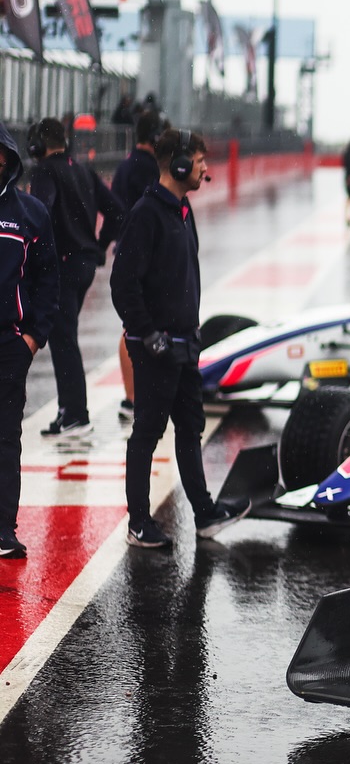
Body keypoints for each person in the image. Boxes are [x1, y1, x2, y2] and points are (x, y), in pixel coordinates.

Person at [110, 129, 249, 549]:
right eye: (200, 161)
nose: (206, 168)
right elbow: (123, 282)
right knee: (148, 432)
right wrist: (148, 334)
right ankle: (138, 523)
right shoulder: (147, 214)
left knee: (191, 428)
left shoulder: (183, 210)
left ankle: (204, 514)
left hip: (187, 342)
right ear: (180, 165)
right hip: (157, 347)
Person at [27, 117, 125, 437]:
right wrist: (98, 245)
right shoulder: (83, 170)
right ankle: (71, 410)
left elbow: (40, 212)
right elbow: (117, 211)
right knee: (65, 334)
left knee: (63, 338)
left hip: (63, 265)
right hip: (83, 264)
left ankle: (75, 415)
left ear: (38, 145)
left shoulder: (44, 171)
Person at [0, 125, 60, 559]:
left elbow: (47, 281)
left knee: (5, 438)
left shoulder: (30, 213)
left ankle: (3, 528)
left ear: (6, 158)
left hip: (8, 345)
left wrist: (32, 338)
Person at [110, 111, 163, 421]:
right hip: (148, 256)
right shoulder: (153, 170)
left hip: (126, 252)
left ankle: (131, 396)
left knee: (130, 327)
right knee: (141, 326)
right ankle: (137, 397)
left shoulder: (125, 166)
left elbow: (114, 207)